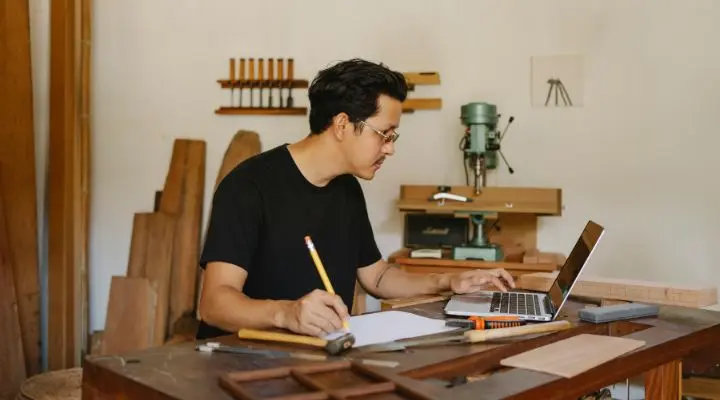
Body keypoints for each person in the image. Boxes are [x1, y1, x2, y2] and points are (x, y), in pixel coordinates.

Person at [196, 58, 515, 340]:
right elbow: (213, 304)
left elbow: (377, 276)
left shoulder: (346, 189)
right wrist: (286, 313)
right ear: (342, 124)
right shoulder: (248, 186)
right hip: (240, 361)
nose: (390, 148)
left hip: (317, 356)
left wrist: (449, 280)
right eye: (385, 134)